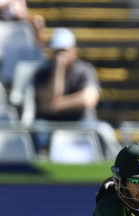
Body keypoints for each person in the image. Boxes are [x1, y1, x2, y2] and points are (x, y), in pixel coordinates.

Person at [32, 27, 120, 157]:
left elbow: (88, 99)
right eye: (56, 51)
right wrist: (58, 70)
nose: (60, 55)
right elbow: (49, 97)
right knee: (37, 129)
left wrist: (54, 106)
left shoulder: (85, 69)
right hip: (50, 123)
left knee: (103, 130)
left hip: (80, 120)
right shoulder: (41, 72)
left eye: (64, 50)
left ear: (74, 50)